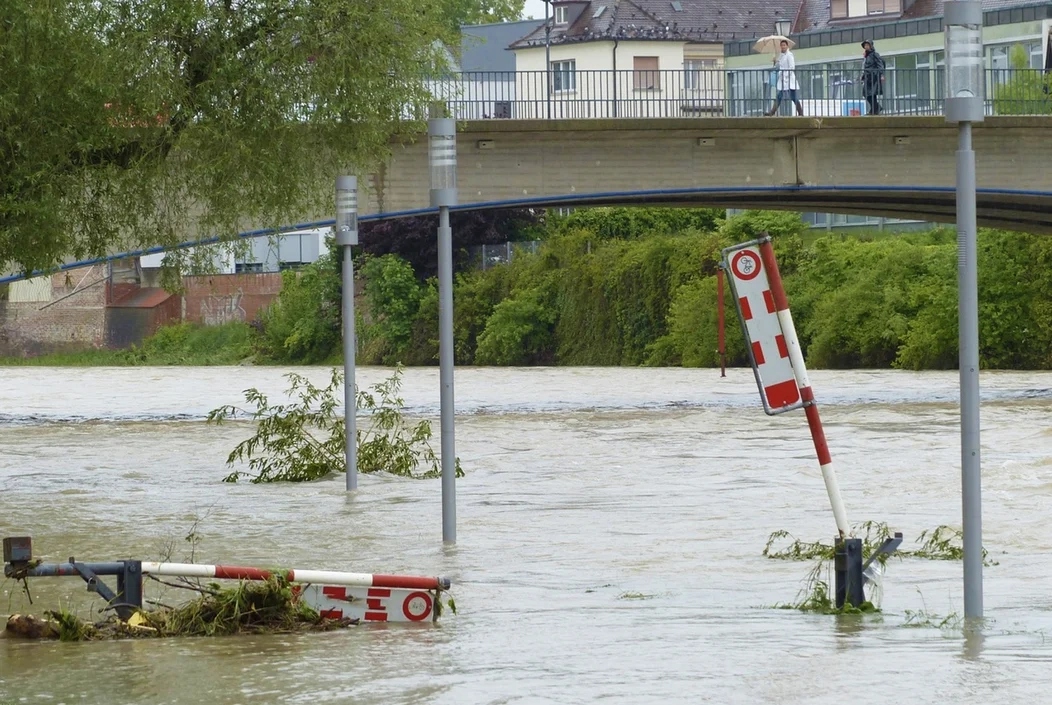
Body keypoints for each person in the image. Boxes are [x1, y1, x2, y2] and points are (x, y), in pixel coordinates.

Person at [766, 39, 804, 117]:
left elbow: (791, 67)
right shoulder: (781, 55)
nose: (783, 47)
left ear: (787, 46)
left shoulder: (789, 55)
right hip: (783, 79)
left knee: (793, 97)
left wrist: (786, 75)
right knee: (779, 96)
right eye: (781, 45)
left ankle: (800, 112)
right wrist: (775, 61)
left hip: (789, 79)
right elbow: (780, 65)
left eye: (784, 45)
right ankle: (772, 112)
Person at [861, 40, 885, 115]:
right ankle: (876, 107)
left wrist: (881, 74)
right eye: (865, 45)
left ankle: (874, 109)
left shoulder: (875, 54)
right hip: (868, 77)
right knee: (866, 94)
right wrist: (862, 76)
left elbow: (880, 65)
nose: (866, 47)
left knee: (871, 94)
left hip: (873, 77)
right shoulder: (866, 56)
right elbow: (865, 66)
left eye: (867, 45)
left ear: (871, 46)